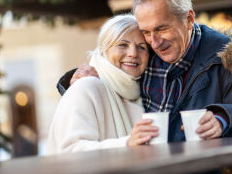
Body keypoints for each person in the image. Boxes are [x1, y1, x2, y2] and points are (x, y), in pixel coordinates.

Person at [57, 0, 232, 143]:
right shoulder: (144, 52)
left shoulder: (228, 55)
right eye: (146, 32)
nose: (154, 42)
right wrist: (77, 79)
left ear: (189, 19)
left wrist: (223, 118)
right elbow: (111, 70)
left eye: (161, 29)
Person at [47, 14, 159, 155]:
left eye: (142, 47)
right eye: (123, 45)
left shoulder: (146, 94)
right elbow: (70, 151)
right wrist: (127, 144)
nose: (133, 53)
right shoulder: (86, 87)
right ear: (103, 49)